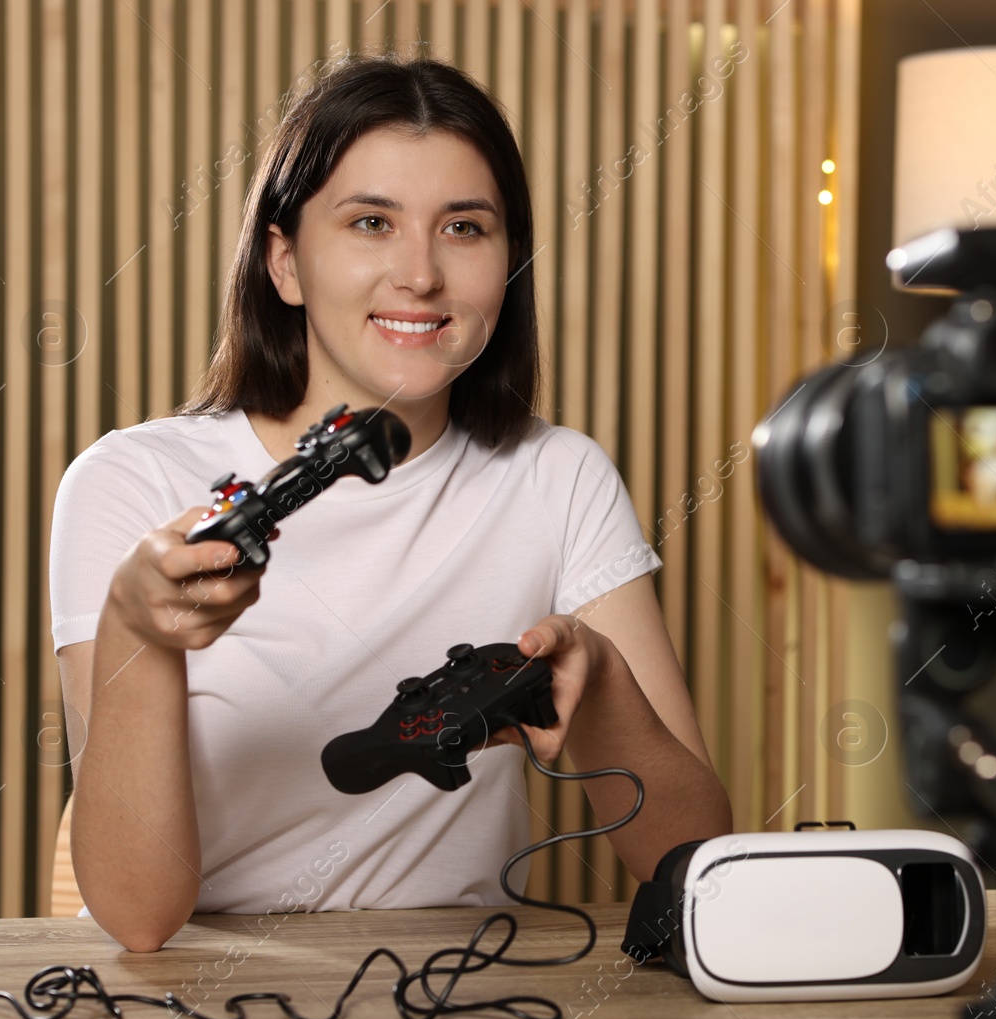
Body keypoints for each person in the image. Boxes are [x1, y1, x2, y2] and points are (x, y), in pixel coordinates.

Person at [49, 52, 732, 954]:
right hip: (204, 998)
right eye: (371, 222)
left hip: (460, 989)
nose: (420, 274)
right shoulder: (131, 482)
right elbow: (137, 916)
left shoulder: (558, 478)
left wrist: (602, 685)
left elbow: (693, 864)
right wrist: (140, 631)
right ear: (285, 263)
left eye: (464, 228)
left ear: (508, 264)